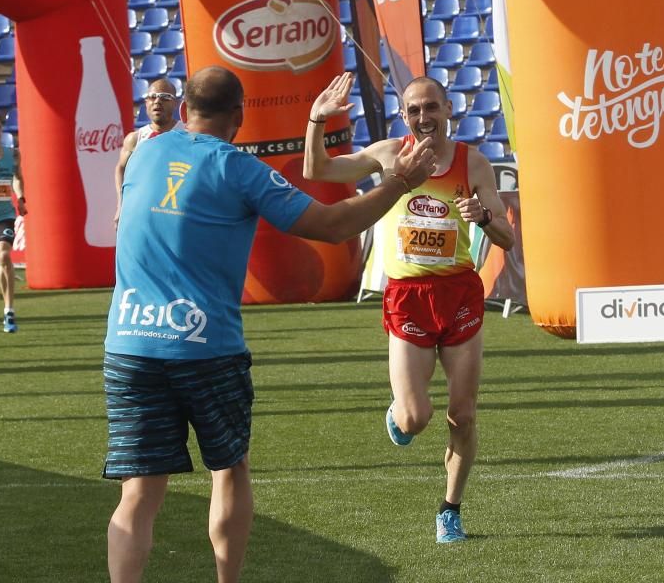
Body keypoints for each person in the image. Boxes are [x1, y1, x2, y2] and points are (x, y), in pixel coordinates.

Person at [103, 66, 435, 583]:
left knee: (139, 492)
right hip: (204, 346)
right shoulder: (237, 167)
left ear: (184, 106)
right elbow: (331, 225)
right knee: (229, 469)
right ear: (239, 116)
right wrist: (399, 182)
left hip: (129, 343)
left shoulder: (144, 151)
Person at [304, 72, 515, 543]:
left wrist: (482, 217)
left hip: (459, 294)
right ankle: (398, 413)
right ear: (405, 117)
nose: (424, 117)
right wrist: (317, 119)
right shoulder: (386, 156)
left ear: (447, 112)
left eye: (431, 108)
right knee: (415, 418)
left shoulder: (473, 163)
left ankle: (450, 509)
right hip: (408, 297)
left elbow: (507, 235)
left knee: (464, 414)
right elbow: (317, 170)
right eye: (414, 110)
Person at [113, 77, 185, 226]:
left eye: (165, 97)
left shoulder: (188, 135)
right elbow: (120, 168)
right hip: (143, 216)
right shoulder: (134, 139)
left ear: (176, 103)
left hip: (177, 216)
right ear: (146, 103)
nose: (157, 101)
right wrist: (121, 204)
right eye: (152, 97)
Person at [0, 111, 26, 333]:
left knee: (4, 255)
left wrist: (20, 198)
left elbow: (18, 178)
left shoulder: (12, 154)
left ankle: (8, 311)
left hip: (4, 215)